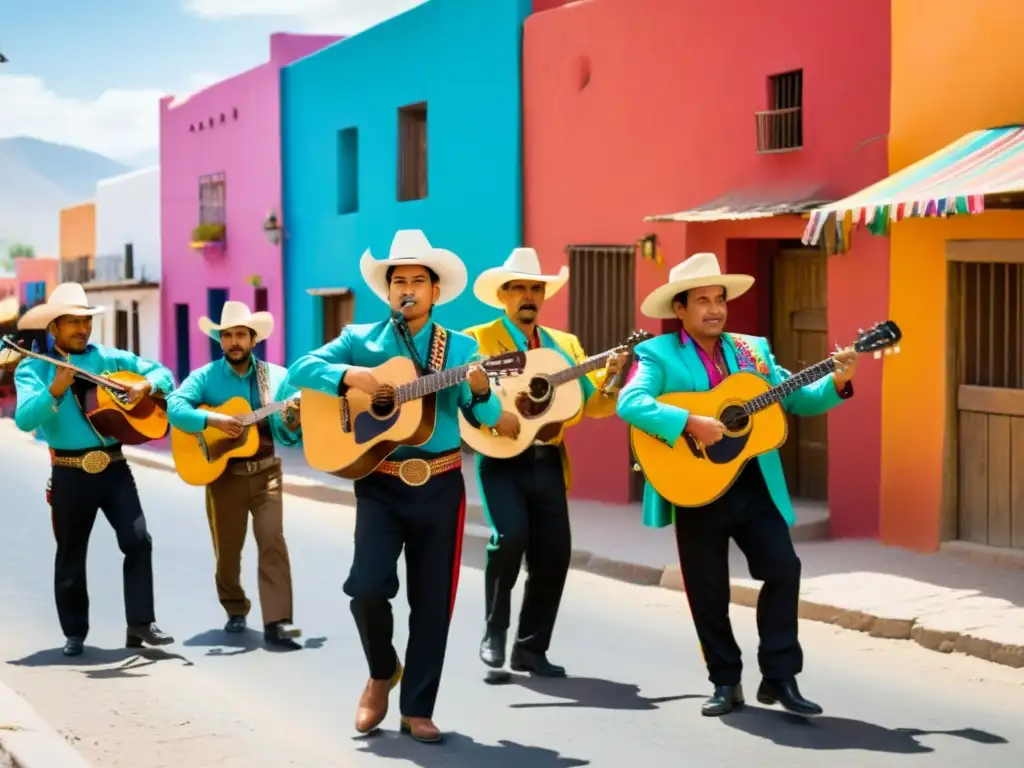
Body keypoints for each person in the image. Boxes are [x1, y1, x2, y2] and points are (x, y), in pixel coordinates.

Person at [616, 253, 859, 718]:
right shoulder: (656, 354)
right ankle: (725, 681)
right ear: (681, 310)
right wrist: (688, 420)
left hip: (753, 483)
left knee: (784, 569)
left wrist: (839, 380)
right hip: (694, 483)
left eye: (719, 299)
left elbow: (799, 398)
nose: (714, 309)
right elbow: (632, 402)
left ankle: (779, 676)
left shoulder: (754, 350)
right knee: (708, 590)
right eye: (702, 300)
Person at [285, 229, 502, 743]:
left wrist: (480, 387)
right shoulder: (361, 341)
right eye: (398, 280)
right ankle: (382, 671)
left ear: (434, 291)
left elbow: (489, 417)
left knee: (432, 603)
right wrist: (349, 380)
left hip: (441, 484)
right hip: (380, 484)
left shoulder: (464, 348)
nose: (407, 288)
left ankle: (417, 708)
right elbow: (300, 368)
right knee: (366, 587)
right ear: (387, 291)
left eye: (417, 281)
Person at [463, 247, 627, 677]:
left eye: (535, 288)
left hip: (550, 459)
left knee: (554, 555)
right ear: (504, 295)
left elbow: (591, 405)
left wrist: (611, 376)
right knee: (510, 537)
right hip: (501, 459)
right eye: (519, 288)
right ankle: (494, 630)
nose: (528, 296)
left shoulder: (565, 346)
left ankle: (531, 649)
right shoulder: (477, 340)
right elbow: (462, 396)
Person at [12, 283, 176, 657]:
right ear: (54, 328)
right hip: (69, 471)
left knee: (138, 540)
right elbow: (24, 419)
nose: (82, 329)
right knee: (71, 553)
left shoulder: (109, 358)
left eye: (85, 321)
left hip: (115, 468)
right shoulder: (33, 368)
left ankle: (140, 623)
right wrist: (55, 390)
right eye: (73, 322)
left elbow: (161, 371)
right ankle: (74, 632)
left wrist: (146, 386)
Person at [166, 301, 303, 650]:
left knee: (273, 541)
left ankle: (278, 622)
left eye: (240, 334)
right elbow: (175, 408)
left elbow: (288, 434)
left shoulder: (277, 377)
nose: (233, 342)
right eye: (226, 335)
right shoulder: (205, 377)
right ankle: (235, 605)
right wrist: (212, 421)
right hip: (224, 475)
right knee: (228, 553)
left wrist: (293, 416)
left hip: (267, 472)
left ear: (253, 338)